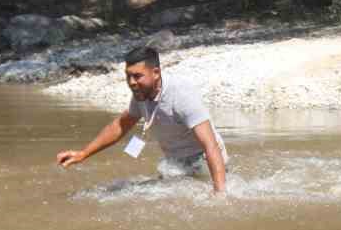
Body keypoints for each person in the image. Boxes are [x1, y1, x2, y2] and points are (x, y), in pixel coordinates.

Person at [55, 44, 229, 195]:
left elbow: (210, 145)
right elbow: (120, 125)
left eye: (137, 76)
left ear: (155, 73)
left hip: (204, 162)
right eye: (128, 76)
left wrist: (220, 194)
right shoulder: (141, 94)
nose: (131, 82)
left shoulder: (181, 95)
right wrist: (83, 153)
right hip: (174, 163)